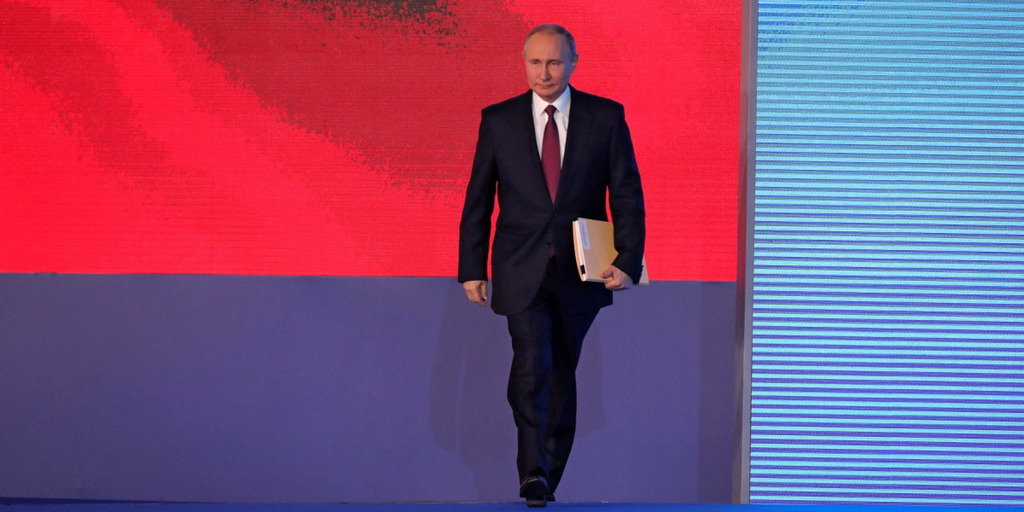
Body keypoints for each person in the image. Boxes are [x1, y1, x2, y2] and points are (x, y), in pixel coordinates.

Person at [457, 23, 645, 508]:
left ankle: (547, 478)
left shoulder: (605, 116)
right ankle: (532, 472)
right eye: (535, 62)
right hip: (520, 266)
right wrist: (471, 267)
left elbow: (626, 194)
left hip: (583, 270)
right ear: (524, 64)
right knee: (530, 364)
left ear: (573, 62)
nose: (544, 72)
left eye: (555, 62)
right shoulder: (498, 120)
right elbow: (478, 199)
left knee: (561, 371)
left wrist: (628, 260)